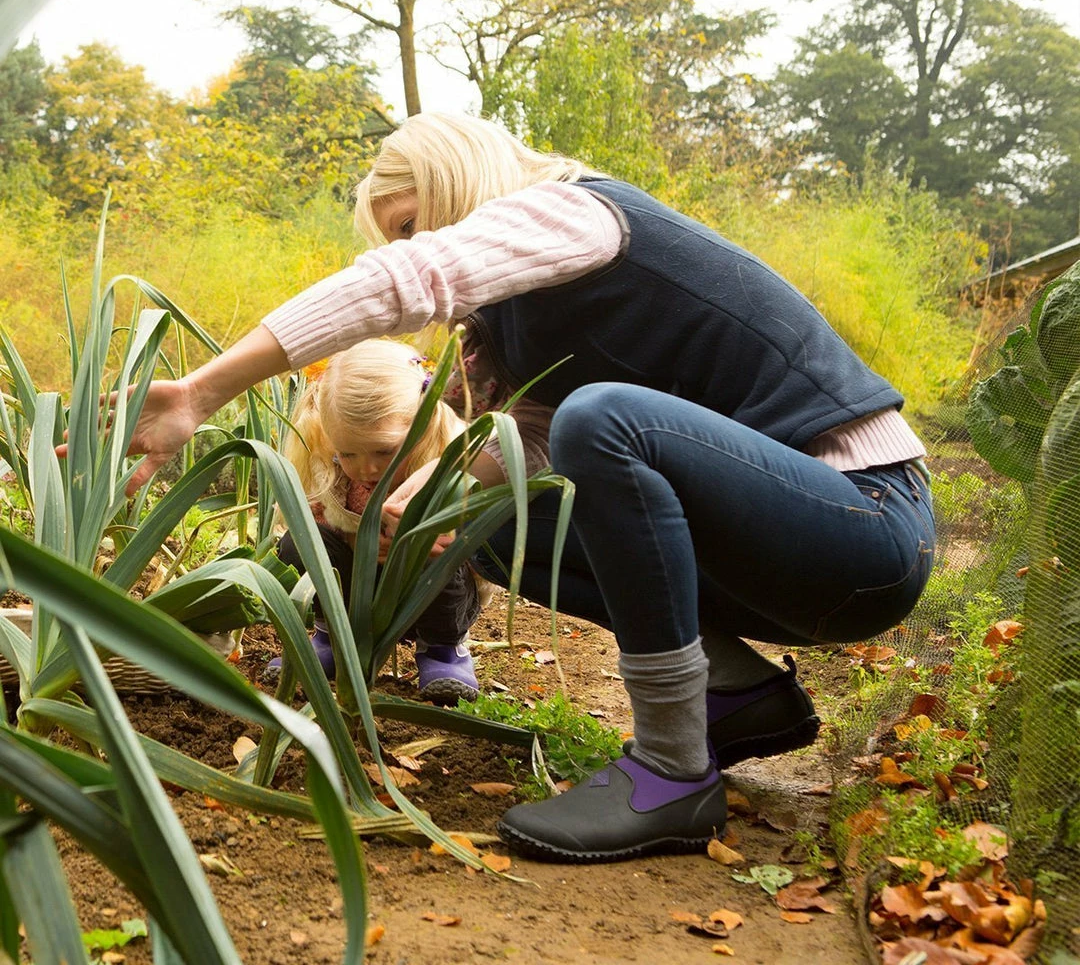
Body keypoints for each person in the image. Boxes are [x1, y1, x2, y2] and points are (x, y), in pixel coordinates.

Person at [122, 112, 935, 864]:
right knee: (504, 522)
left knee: (606, 417)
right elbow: (538, 444)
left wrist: (202, 391)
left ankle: (673, 773)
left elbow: (417, 281)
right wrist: (442, 487)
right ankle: (738, 697)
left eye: (412, 222)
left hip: (863, 518)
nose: (419, 241)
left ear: (457, 180)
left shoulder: (575, 212)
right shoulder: (522, 320)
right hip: (781, 558)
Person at [263, 338, 483, 705]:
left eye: (384, 450)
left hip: (429, 596)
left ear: (424, 424)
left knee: (443, 560)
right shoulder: (328, 467)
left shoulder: (450, 459)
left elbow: (481, 535)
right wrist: (357, 542)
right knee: (299, 541)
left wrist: (430, 542)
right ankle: (330, 636)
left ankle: (443, 650)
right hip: (353, 595)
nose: (366, 468)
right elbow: (312, 519)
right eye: (347, 453)